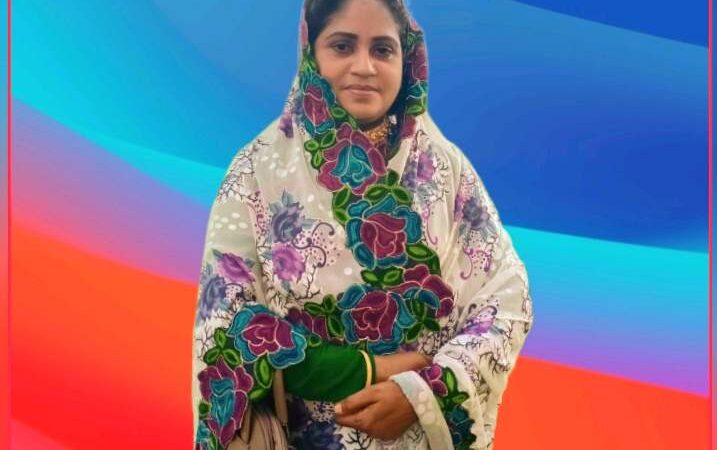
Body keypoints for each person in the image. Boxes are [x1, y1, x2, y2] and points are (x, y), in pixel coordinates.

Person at [191, 0, 534, 448]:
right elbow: (225, 335)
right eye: (342, 46)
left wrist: (423, 395)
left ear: (407, 60)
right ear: (311, 53)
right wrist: (367, 370)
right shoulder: (257, 173)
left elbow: (507, 301)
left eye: (383, 50)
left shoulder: (446, 171)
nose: (364, 67)